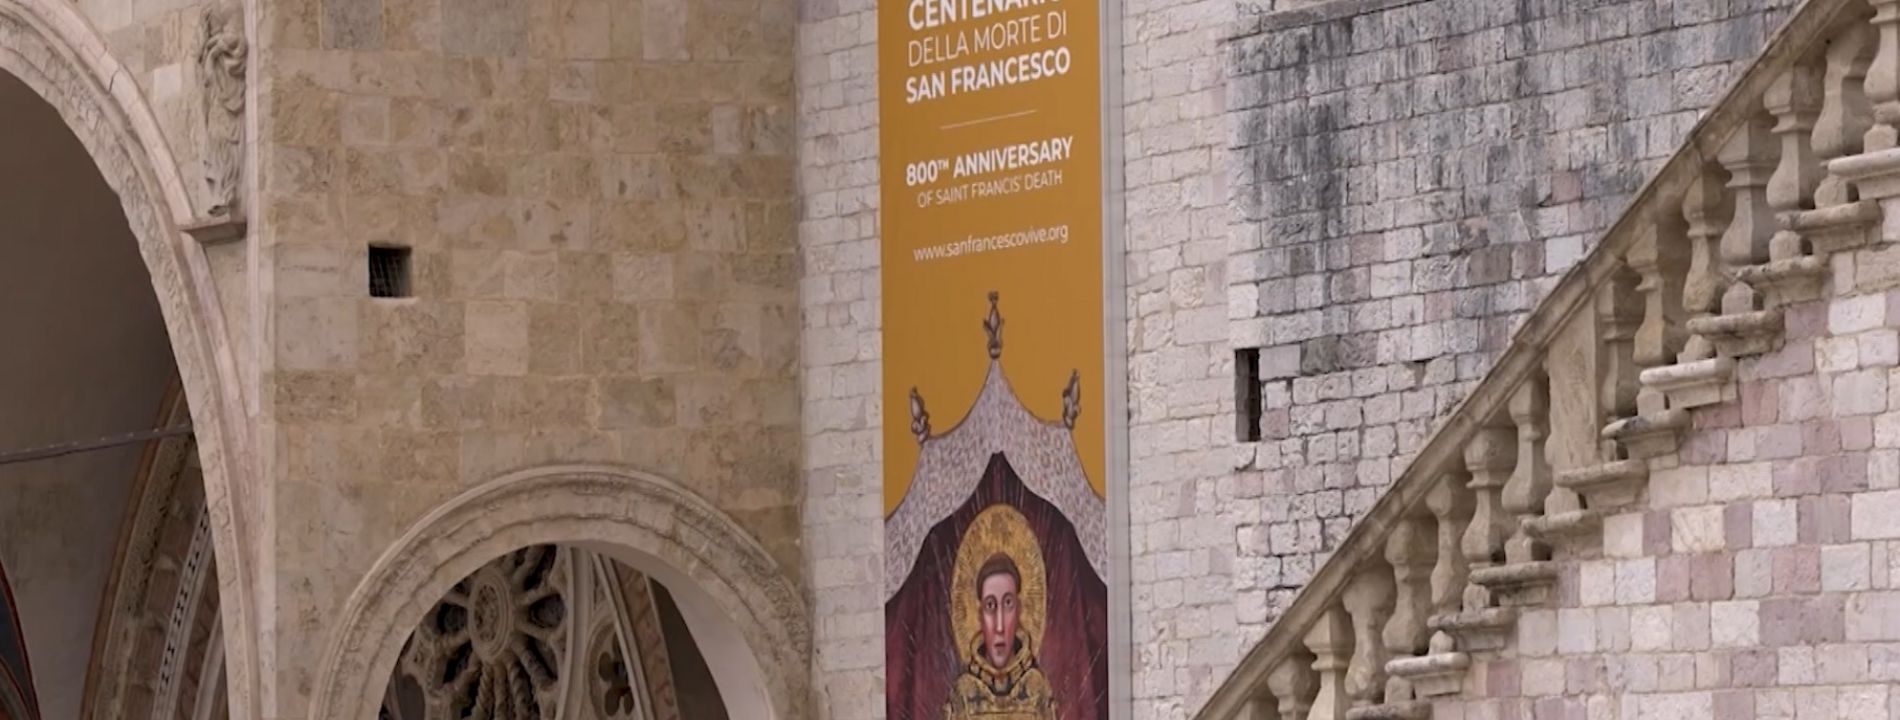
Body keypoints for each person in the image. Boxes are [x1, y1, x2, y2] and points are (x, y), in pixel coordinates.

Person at [943, 553, 1056, 719]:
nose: (1000, 626)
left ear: (1018, 611)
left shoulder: (1036, 689)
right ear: (980, 615)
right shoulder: (963, 694)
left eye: (1008, 603)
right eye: (990, 605)